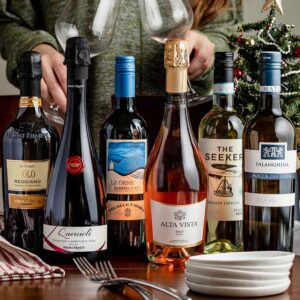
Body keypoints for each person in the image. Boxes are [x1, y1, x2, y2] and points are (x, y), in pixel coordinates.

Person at [0, 0, 242, 147]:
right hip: (77, 141)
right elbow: (8, 19)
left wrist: (208, 50)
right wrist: (34, 47)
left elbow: (228, 28)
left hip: (182, 154)